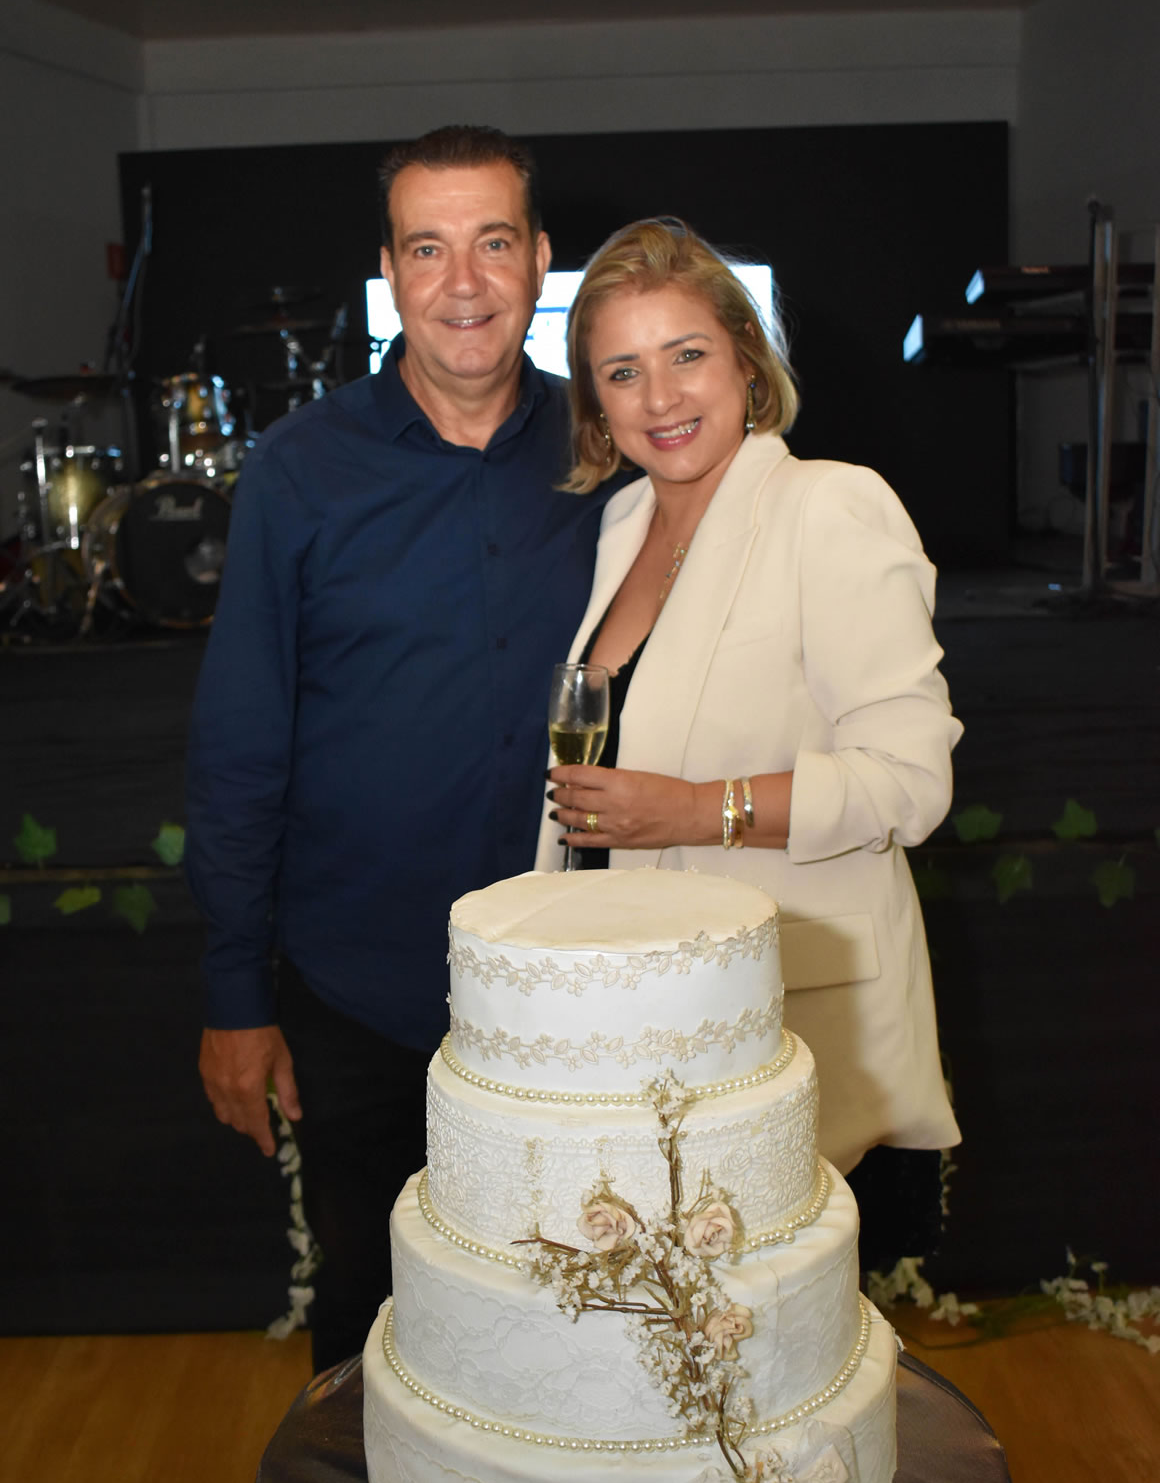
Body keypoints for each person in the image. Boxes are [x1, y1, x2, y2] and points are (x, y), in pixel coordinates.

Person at [186, 126, 618, 1371]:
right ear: (388, 271)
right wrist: (234, 999)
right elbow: (239, 745)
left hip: (574, 992)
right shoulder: (298, 473)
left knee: (578, 1334)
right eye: (428, 249)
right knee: (371, 1339)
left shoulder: (614, 452)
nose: (463, 283)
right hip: (360, 995)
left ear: (542, 260)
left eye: (494, 243)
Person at [537, 217, 962, 1272]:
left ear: (745, 360)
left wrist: (695, 810)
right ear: (596, 405)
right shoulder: (623, 525)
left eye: (687, 355)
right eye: (623, 373)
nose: (661, 397)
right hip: (641, 1023)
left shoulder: (831, 506)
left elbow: (911, 782)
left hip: (791, 1036)